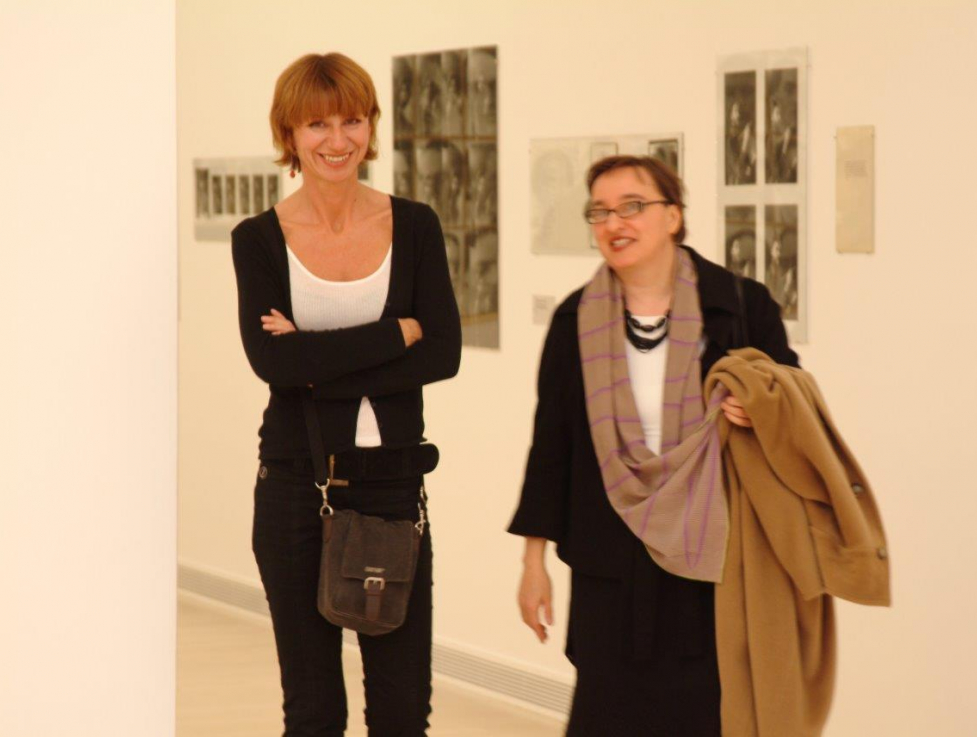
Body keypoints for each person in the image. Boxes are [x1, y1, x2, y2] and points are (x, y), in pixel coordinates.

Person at [508, 155, 798, 736]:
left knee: (705, 715)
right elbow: (552, 446)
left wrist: (760, 409)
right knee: (606, 717)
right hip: (608, 560)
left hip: (712, 557)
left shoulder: (740, 306)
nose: (615, 223)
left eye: (632, 206)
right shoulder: (574, 319)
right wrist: (532, 563)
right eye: (600, 212)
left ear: (673, 216)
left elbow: (792, 404)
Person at [231, 52, 461, 737]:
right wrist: (395, 333)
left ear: (371, 126)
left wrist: (313, 361)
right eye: (317, 124)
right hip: (294, 488)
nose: (338, 140)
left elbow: (442, 354)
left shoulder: (414, 226)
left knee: (401, 712)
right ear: (290, 134)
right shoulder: (258, 240)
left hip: (392, 484)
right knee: (313, 711)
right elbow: (271, 364)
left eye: (352, 121)